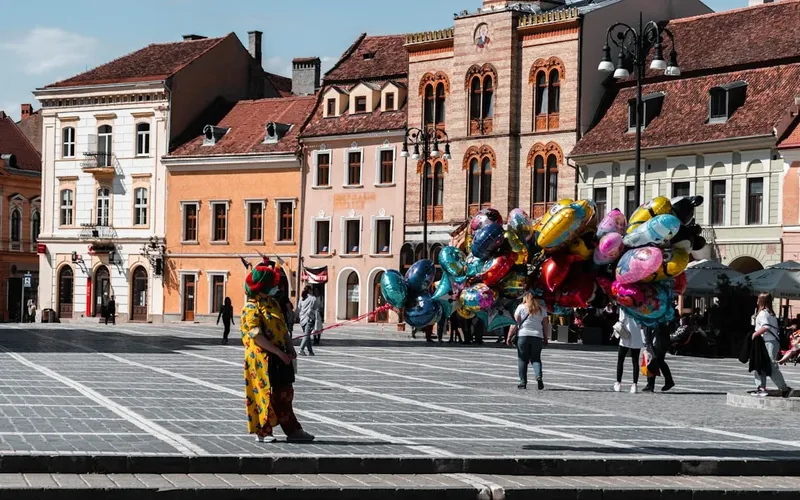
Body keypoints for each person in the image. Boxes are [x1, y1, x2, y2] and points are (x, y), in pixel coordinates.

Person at [241, 259, 313, 443]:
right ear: (262, 286)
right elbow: (256, 335)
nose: (276, 287)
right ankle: (263, 431)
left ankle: (293, 430)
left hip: (280, 358)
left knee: (285, 394)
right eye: (273, 284)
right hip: (261, 359)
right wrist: (278, 352)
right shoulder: (251, 307)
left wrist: (289, 348)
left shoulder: (272, 304)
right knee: (262, 394)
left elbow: (282, 328)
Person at [751, 293, 793, 397]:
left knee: (770, 366)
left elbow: (766, 327)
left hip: (768, 342)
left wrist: (755, 334)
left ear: (762, 300)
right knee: (760, 364)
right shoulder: (770, 313)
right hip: (771, 342)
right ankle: (762, 387)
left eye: (758, 298)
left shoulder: (763, 314)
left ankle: (784, 389)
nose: (757, 300)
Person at [507, 293, 549, 390]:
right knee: (536, 359)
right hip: (537, 337)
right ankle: (538, 377)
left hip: (523, 336)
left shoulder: (521, 307)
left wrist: (509, 336)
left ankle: (523, 382)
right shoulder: (542, 309)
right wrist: (546, 337)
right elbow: (545, 325)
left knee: (522, 359)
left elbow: (515, 323)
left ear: (525, 297)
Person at [613, 308, 645, 393]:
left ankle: (618, 383)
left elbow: (621, 320)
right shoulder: (640, 306)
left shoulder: (624, 306)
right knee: (635, 361)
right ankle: (634, 384)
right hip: (636, 335)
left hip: (626, 334)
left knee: (621, 359)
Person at [643, 322, 675, 393]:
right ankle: (668, 381)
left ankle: (651, 385)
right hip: (661, 339)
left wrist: (648, 345)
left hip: (658, 340)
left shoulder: (651, 316)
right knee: (659, 361)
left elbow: (648, 332)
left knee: (654, 361)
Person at [297, 287, 316, 356]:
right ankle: (301, 349)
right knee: (306, 335)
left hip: (302, 319)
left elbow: (299, 308)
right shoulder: (313, 298)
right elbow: (316, 308)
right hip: (309, 319)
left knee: (307, 335)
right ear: (310, 290)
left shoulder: (302, 298)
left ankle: (310, 351)